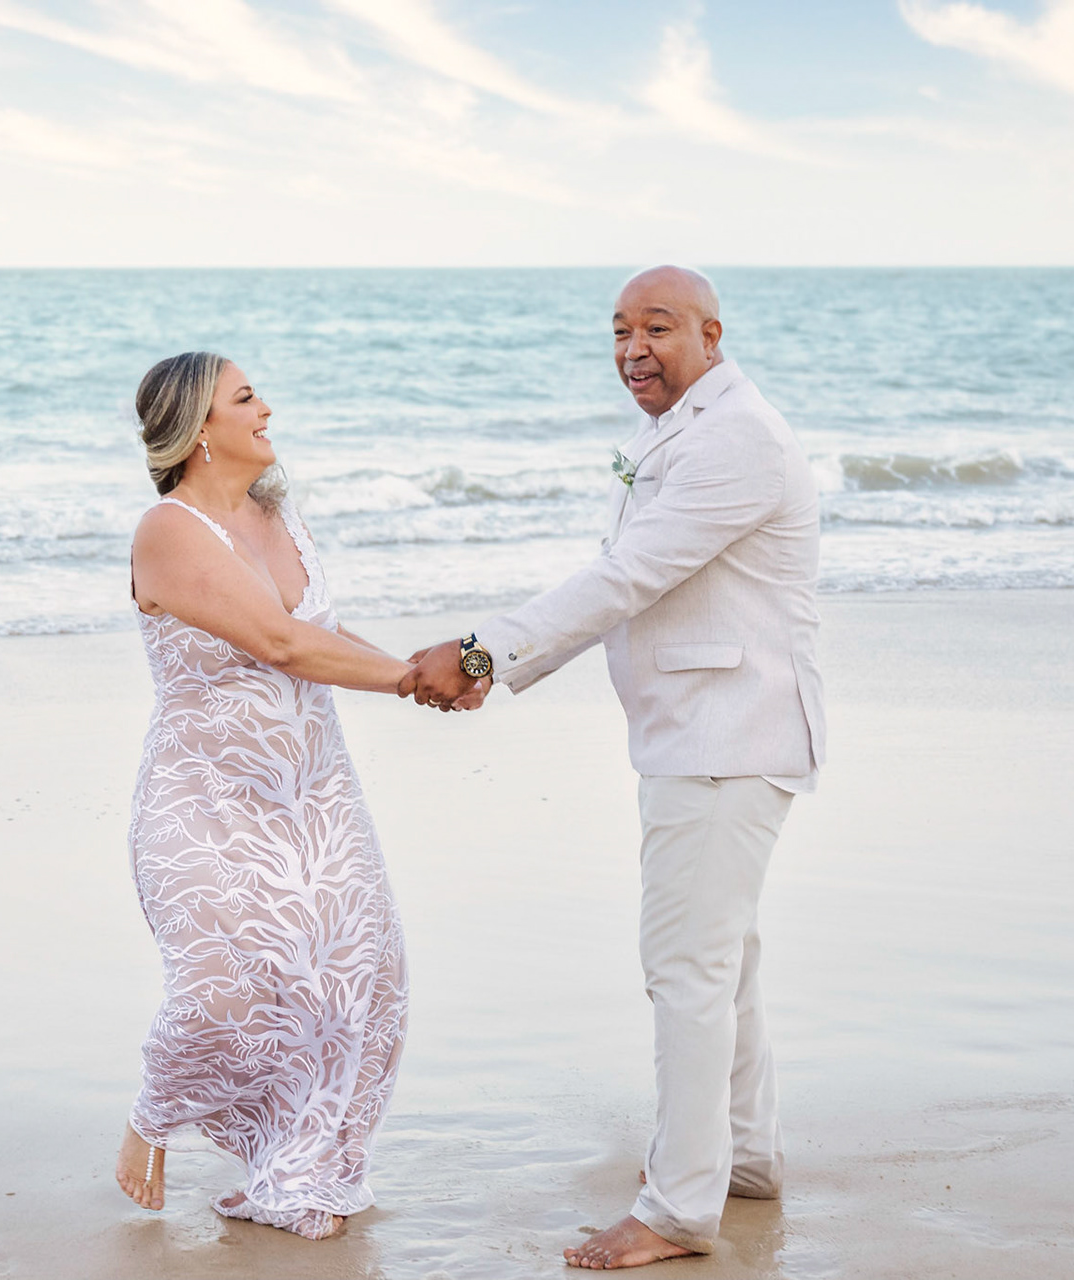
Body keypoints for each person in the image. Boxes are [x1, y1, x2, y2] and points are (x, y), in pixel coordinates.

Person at [402, 266, 827, 1269]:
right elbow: (631, 580)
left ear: (712, 334)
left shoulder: (735, 437)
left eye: (659, 328)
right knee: (724, 958)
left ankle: (680, 1206)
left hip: (726, 737)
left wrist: (481, 653)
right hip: (705, 731)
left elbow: (627, 576)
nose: (634, 347)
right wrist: (504, 658)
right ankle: (746, 1156)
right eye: (620, 330)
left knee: (686, 967)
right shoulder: (685, 427)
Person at [117, 351, 418, 1241]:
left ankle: (300, 1169)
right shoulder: (167, 531)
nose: (267, 410)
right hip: (207, 802)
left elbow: (316, 632)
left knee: (363, 978)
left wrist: (436, 669)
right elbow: (278, 645)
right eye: (246, 399)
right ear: (199, 429)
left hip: (315, 792)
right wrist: (410, 680)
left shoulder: (278, 512)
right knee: (224, 993)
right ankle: (149, 1117)